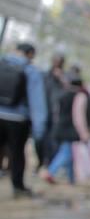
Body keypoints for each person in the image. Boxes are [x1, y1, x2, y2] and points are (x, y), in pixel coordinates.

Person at [0, 43, 48, 198]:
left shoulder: (2, 63)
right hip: (19, 120)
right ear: (30, 54)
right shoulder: (31, 71)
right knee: (17, 153)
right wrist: (39, 129)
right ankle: (18, 187)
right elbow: (37, 101)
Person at [43, 70, 90, 184]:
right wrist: (83, 133)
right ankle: (50, 172)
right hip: (71, 129)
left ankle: (71, 179)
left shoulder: (62, 94)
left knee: (69, 153)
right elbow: (78, 116)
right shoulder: (80, 96)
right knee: (66, 153)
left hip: (59, 127)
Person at [38, 53, 67, 170]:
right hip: (43, 112)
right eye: (55, 61)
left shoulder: (65, 77)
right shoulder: (45, 75)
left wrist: (62, 78)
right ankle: (42, 161)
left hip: (58, 114)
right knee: (40, 139)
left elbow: (69, 90)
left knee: (54, 140)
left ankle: (51, 162)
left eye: (59, 61)